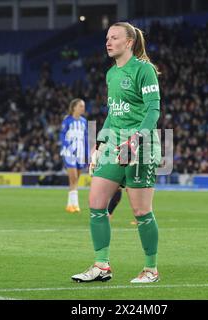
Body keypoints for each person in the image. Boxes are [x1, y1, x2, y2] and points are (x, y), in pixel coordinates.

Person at [72, 22, 161, 283]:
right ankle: (102, 266)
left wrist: (136, 140)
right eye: (107, 38)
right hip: (113, 145)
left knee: (141, 211)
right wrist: (99, 145)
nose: (108, 42)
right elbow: (114, 112)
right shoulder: (111, 74)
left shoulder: (144, 70)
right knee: (96, 204)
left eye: (114, 37)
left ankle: (151, 269)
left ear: (129, 42)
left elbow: (153, 110)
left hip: (140, 146)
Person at [60, 98, 88, 213]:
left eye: (83, 106)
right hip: (69, 153)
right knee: (73, 177)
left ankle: (70, 205)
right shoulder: (67, 120)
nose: (83, 108)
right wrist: (69, 147)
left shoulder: (84, 121)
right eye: (81, 106)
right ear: (74, 107)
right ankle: (75, 205)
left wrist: (87, 153)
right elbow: (62, 136)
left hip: (80, 153)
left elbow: (86, 138)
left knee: (75, 180)